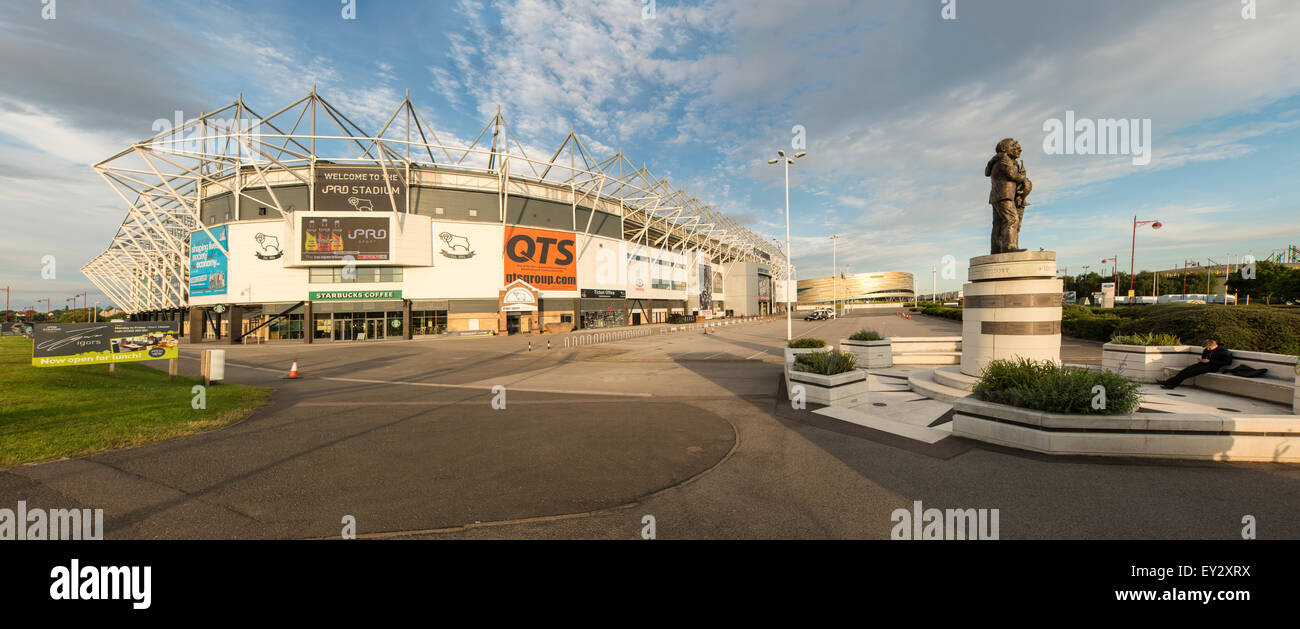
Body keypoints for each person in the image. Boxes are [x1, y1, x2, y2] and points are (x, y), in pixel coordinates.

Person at [1157, 339, 1233, 389]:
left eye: (1208, 348)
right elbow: (1205, 357)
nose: (1207, 349)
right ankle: (1169, 384)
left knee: (1188, 373)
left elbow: (1227, 363)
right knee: (1185, 371)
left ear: (1213, 345)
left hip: (1213, 367)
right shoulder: (1207, 349)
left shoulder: (1224, 352)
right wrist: (1202, 360)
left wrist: (1210, 361)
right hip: (1203, 364)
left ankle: (1168, 383)